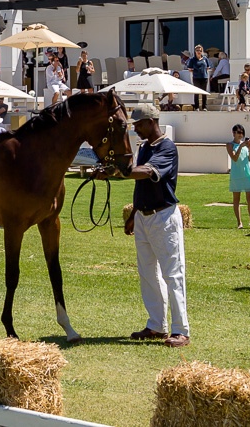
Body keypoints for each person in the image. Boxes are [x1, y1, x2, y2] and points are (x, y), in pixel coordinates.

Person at [91, 105, 188, 347]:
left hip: (164, 216)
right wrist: (134, 213)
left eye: (138, 124)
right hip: (145, 216)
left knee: (172, 274)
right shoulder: (145, 147)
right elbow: (140, 183)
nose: (135, 129)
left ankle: (181, 330)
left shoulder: (167, 148)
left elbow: (147, 173)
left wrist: (117, 172)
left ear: (151, 121)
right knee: (148, 274)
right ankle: (157, 325)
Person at [227, 124, 250, 229]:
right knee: (236, 199)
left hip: (247, 174)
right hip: (237, 174)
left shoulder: (245, 146)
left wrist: (249, 148)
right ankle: (239, 222)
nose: (240, 135)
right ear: (233, 133)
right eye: (238, 133)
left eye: (242, 133)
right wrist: (241, 146)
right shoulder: (229, 145)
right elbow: (234, 158)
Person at [184, 45, 210, 110]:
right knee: (196, 92)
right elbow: (189, 68)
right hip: (196, 77)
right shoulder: (192, 60)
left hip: (204, 77)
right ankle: (197, 106)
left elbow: (208, 67)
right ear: (195, 51)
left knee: (204, 92)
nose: (199, 52)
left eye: (200, 51)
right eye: (197, 50)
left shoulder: (205, 59)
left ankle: (204, 106)